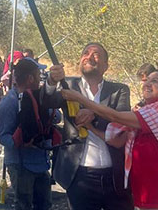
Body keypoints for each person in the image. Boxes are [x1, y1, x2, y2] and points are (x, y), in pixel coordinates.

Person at [62, 69, 158, 210]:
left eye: (155, 81)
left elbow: (116, 116)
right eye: (147, 80)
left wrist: (80, 98)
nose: (147, 84)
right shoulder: (145, 112)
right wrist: (89, 126)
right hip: (143, 194)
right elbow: (116, 141)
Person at [43, 43, 133, 210]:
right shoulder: (67, 85)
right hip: (79, 175)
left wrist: (93, 112)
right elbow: (47, 101)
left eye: (96, 54)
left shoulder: (119, 90)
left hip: (115, 176)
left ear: (106, 66)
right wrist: (51, 81)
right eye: (86, 52)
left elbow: (121, 119)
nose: (89, 56)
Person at [0, 58, 53, 210]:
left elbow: (56, 117)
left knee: (44, 205)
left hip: (41, 163)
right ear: (30, 78)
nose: (41, 77)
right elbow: (3, 137)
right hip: (21, 166)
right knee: (24, 205)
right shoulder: (9, 103)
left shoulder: (39, 98)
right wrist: (21, 142)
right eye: (38, 74)